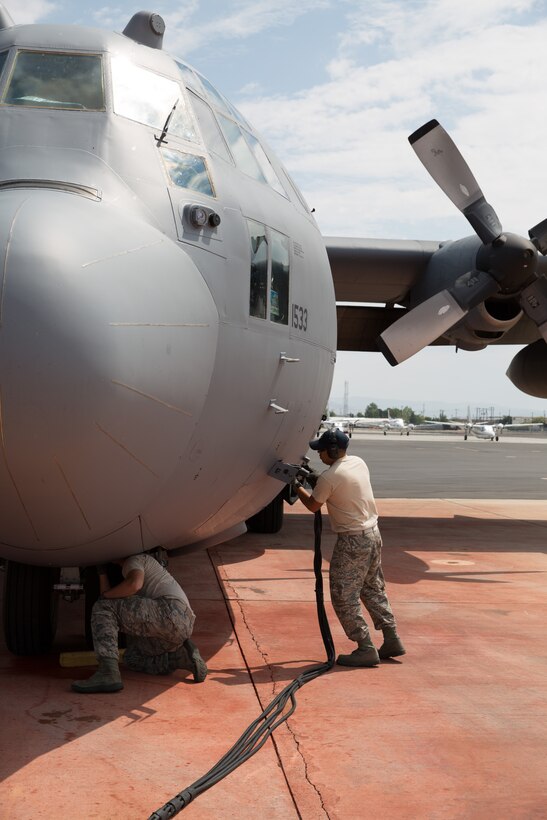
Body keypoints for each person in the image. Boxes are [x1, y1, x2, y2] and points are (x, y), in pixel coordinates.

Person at [295, 429, 405, 668]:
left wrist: (296, 487)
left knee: (343, 595)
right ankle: (391, 638)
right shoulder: (357, 462)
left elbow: (314, 505)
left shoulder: (329, 477)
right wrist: (315, 478)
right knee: (372, 587)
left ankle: (365, 648)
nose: (319, 454)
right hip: (373, 535)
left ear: (332, 450)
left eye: (321, 450)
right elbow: (339, 484)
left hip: (353, 541)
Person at [72, 553, 207, 693]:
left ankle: (107, 672)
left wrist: (103, 598)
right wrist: (102, 572)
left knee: (102, 607)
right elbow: (107, 597)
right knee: (132, 659)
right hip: (181, 625)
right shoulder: (135, 565)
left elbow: (134, 584)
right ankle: (180, 658)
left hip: (169, 611)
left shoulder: (135, 560)